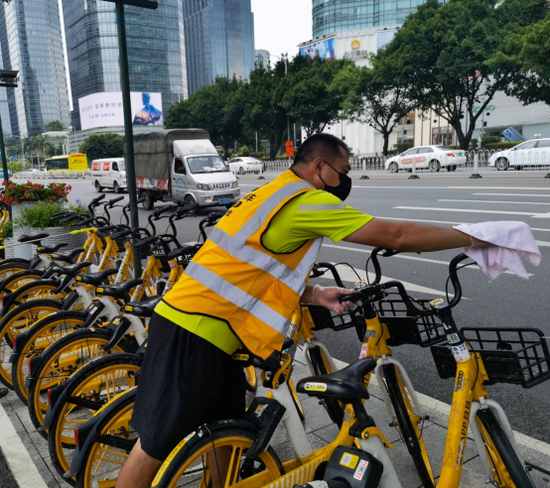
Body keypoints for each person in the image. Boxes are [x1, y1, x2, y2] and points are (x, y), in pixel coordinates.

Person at [116, 133, 490, 488]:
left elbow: (254, 268)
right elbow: (397, 236)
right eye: (342, 173)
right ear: (320, 166)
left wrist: (314, 293)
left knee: (221, 431)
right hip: (196, 330)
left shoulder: (271, 192)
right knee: (156, 441)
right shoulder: (308, 200)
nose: (345, 181)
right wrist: (474, 237)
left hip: (206, 326)